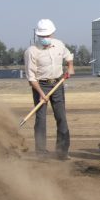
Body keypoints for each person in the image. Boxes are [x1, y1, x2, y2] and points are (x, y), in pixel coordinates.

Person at [23, 18, 74, 160]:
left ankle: (62, 152)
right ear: (38, 35)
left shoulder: (59, 45)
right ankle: (41, 153)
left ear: (52, 33)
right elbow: (31, 77)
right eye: (42, 36)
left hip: (58, 84)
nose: (45, 38)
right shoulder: (31, 51)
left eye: (47, 35)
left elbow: (68, 56)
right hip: (40, 85)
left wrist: (70, 66)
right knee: (40, 119)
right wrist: (40, 93)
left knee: (61, 117)